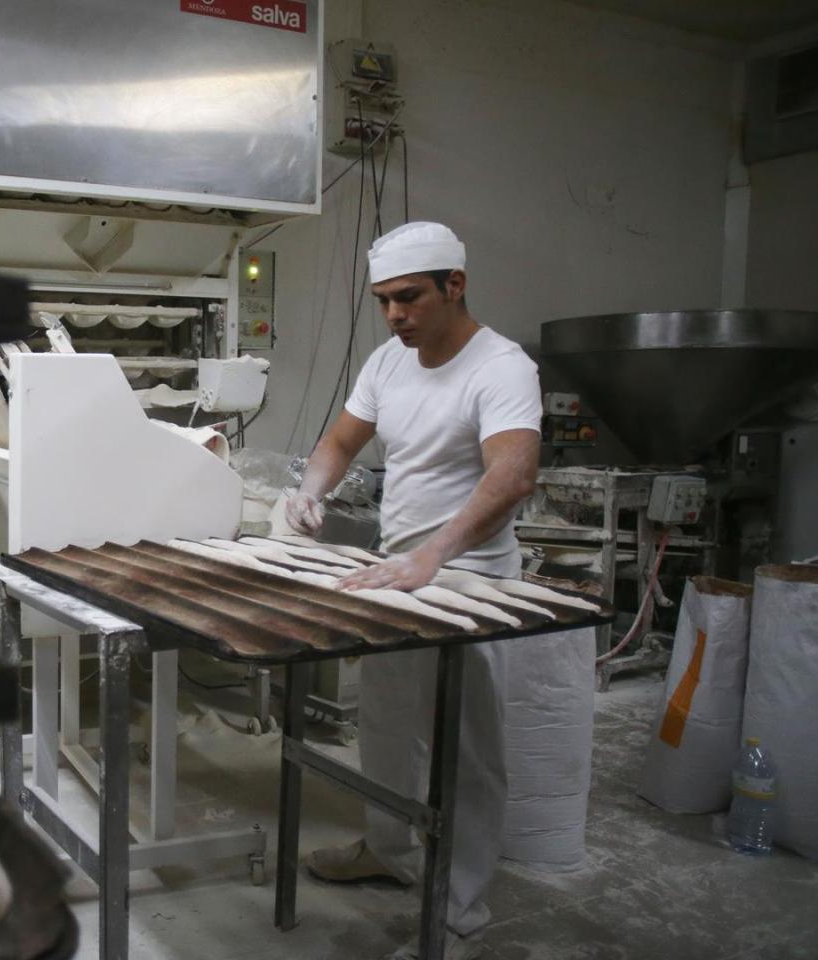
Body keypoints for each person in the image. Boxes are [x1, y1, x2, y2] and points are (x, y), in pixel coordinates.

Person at [284, 221, 542, 960]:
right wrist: (310, 491)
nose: (395, 315)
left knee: (467, 748)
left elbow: (513, 474)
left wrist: (435, 554)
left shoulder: (502, 368)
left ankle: (460, 918)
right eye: (384, 301)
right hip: (397, 570)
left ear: (454, 286)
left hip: (471, 578)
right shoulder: (390, 361)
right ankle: (390, 852)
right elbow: (340, 441)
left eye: (409, 298)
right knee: (386, 722)